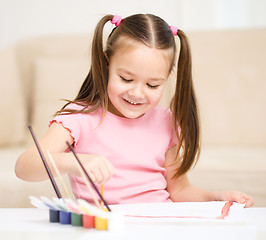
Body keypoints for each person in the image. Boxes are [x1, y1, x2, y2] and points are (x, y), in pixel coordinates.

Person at [15, 14, 254, 207]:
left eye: (152, 84)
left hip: (160, 227)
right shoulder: (79, 118)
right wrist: (75, 162)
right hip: (106, 229)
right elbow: (25, 167)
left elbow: (180, 190)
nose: (138, 93)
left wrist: (215, 197)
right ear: (107, 63)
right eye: (126, 78)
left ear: (167, 77)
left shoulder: (166, 121)